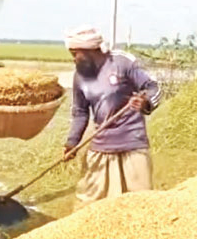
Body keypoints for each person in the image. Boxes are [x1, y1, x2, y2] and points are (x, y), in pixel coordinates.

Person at [63, 25, 161, 204]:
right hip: (101, 147)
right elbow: (80, 112)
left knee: (140, 204)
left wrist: (144, 102)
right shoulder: (80, 76)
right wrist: (72, 142)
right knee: (89, 204)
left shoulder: (121, 63)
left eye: (74, 54)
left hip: (132, 145)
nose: (73, 60)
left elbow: (152, 87)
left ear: (89, 50)